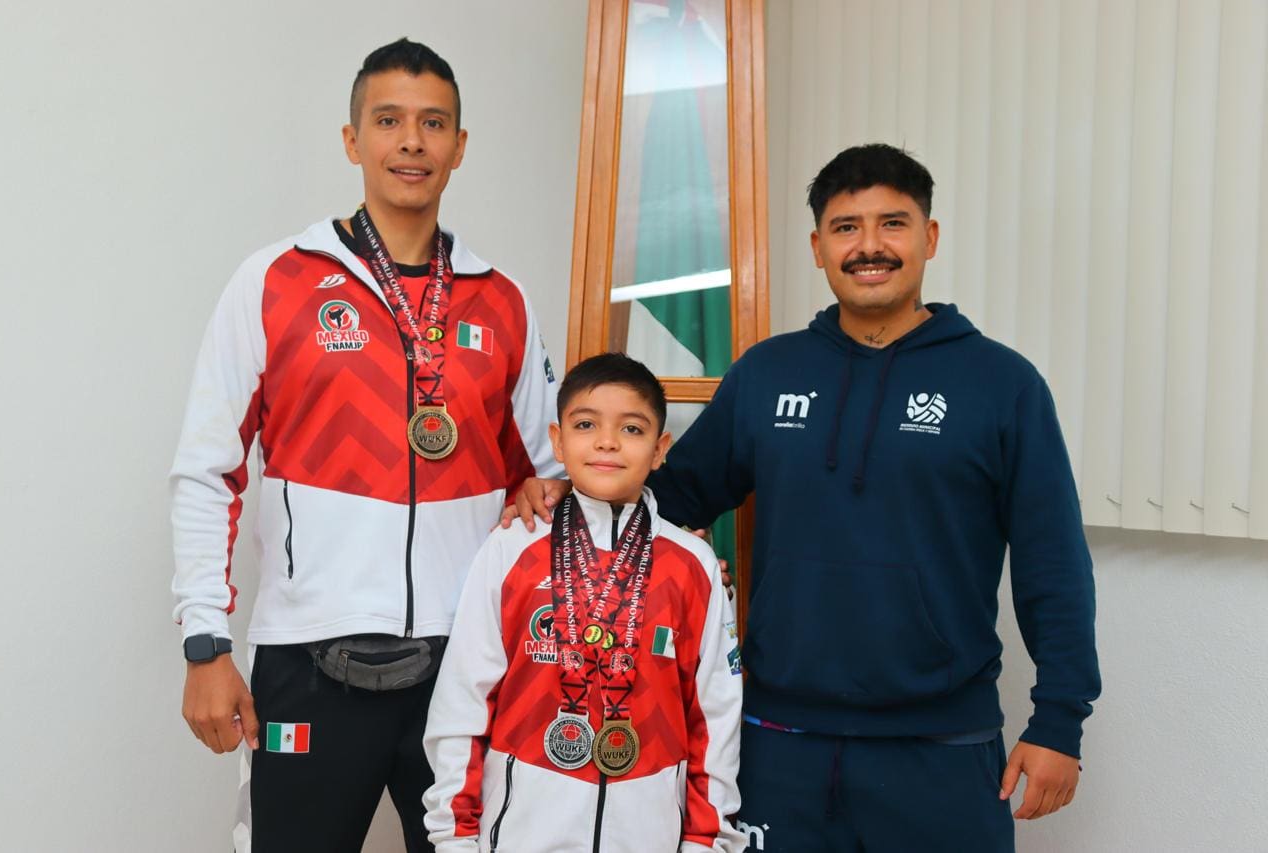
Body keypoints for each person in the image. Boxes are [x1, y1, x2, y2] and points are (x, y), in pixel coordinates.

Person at [507, 143, 1101, 851]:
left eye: (893, 223)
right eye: (847, 227)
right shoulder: (767, 373)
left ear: (930, 237)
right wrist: (570, 492)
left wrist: (1059, 720)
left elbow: (1051, 562)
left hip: (942, 743)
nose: (870, 246)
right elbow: (667, 497)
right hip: (780, 742)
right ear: (818, 248)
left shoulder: (1002, 385)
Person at [169, 39, 560, 853]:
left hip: (465, 664)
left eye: (433, 123)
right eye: (388, 121)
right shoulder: (275, 280)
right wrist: (205, 642)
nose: (411, 141)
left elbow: (551, 473)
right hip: (306, 657)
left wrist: (546, 494)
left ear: (460, 145)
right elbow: (208, 470)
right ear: (352, 140)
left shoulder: (503, 299)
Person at [423, 353, 744, 852]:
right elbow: (464, 700)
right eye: (586, 424)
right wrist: (454, 839)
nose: (607, 442)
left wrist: (706, 844)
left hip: (649, 836)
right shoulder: (512, 547)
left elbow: (715, 718)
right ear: (558, 441)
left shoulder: (692, 564)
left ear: (660, 450)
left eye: (632, 429)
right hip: (520, 836)